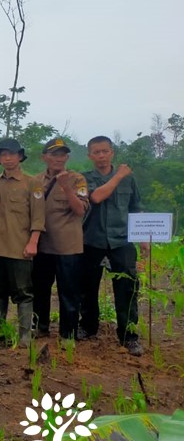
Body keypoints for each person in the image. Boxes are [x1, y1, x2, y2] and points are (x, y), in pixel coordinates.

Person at [79, 136, 145, 356]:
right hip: (92, 241)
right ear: (90, 156)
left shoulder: (130, 180)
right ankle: (88, 327)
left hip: (122, 240)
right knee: (88, 287)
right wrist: (119, 175)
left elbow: (136, 207)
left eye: (105, 151)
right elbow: (96, 197)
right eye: (96, 152)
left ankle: (129, 335)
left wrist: (144, 236)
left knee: (127, 288)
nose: (101, 156)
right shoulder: (85, 178)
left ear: (112, 153)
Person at [0, 138, 45, 345]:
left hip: (20, 247)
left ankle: (25, 335)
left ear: (20, 156)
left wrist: (33, 242)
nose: (7, 158)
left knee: (23, 292)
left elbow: (38, 217)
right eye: (3, 155)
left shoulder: (32, 182)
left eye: (12, 154)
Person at [32, 138, 89, 340]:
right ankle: (40, 327)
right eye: (54, 154)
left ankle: (68, 334)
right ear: (44, 157)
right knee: (40, 290)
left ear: (67, 157)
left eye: (62, 154)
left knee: (69, 293)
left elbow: (80, 210)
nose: (59, 158)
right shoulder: (36, 180)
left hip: (68, 248)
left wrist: (66, 188)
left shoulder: (77, 179)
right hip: (43, 246)